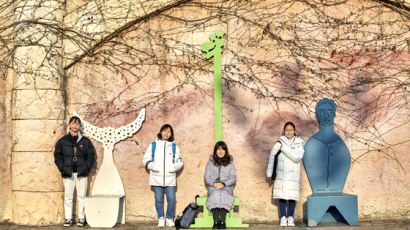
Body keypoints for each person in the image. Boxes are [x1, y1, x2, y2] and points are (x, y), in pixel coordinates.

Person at [54, 116, 96, 227]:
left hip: (82, 173)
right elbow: (57, 155)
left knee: (82, 196)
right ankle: (68, 219)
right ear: (69, 125)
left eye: (77, 124)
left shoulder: (85, 141)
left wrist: (87, 167)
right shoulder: (62, 141)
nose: (75, 125)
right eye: (73, 123)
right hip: (68, 172)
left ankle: (81, 218)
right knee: (68, 196)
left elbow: (91, 155)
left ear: (79, 125)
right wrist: (62, 167)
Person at [142, 124, 184, 228]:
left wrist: (174, 168)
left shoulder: (174, 147)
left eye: (169, 132)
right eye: (164, 131)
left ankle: (169, 218)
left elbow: (180, 162)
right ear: (161, 132)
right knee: (158, 199)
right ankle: (161, 218)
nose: (166, 133)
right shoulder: (154, 145)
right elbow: (145, 159)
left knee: (171, 199)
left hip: (170, 178)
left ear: (171, 134)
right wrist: (152, 166)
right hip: (156, 177)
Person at [266, 122, 304, 227]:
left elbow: (297, 158)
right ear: (284, 131)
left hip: (293, 176)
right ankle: (283, 217)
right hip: (281, 175)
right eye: (287, 130)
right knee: (281, 197)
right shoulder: (279, 143)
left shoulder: (298, 143)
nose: (289, 132)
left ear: (294, 131)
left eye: (291, 130)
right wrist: (269, 173)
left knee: (292, 197)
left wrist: (284, 148)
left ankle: (290, 217)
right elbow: (272, 157)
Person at [204, 141, 237, 229]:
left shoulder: (230, 163)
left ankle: (222, 222)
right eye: (218, 149)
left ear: (226, 151)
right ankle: (215, 222)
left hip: (226, 187)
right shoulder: (210, 163)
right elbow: (206, 177)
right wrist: (213, 184)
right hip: (213, 186)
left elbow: (233, 178)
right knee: (215, 194)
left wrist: (224, 184)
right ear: (215, 151)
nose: (221, 151)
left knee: (223, 194)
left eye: (223, 149)